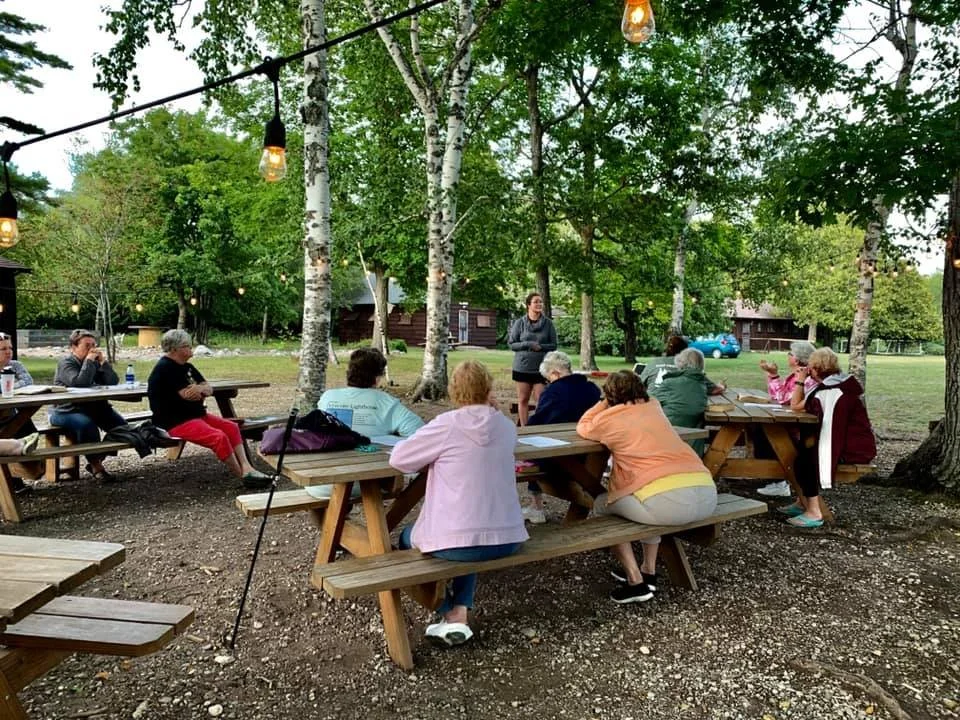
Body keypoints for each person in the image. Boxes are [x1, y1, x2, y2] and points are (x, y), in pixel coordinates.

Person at [389, 361, 527, 647]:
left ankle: (446, 608)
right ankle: (460, 612)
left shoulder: (446, 424)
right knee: (471, 530)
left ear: (454, 392)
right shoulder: (504, 425)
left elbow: (399, 459)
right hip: (509, 537)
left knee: (406, 538)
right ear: (489, 389)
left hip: (458, 540)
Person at [577, 370, 718, 604]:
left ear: (609, 396)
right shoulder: (654, 406)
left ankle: (636, 581)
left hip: (667, 502)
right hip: (705, 492)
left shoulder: (608, 419)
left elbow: (583, 426)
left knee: (603, 505)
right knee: (646, 502)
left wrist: (604, 403)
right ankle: (648, 570)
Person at [148, 329, 271, 489]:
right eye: (186, 346)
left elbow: (208, 388)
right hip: (176, 421)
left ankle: (248, 468)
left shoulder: (187, 367)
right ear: (174, 349)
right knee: (218, 437)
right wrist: (200, 390)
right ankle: (242, 476)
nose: (191, 350)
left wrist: (200, 389)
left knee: (231, 427)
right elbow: (187, 395)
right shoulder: (165, 368)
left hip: (196, 415)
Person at [309, 347, 424, 500]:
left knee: (330, 513)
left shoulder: (328, 397)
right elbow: (422, 434)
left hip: (318, 481)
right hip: (363, 482)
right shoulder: (386, 402)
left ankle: (335, 524)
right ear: (377, 377)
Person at [780, 347, 876, 528]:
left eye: (810, 367)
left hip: (852, 449)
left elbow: (796, 406)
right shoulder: (837, 384)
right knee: (798, 452)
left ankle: (814, 512)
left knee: (806, 461)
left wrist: (800, 381)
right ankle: (803, 502)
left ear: (816, 368)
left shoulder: (830, 391)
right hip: (856, 443)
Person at [522, 350, 601, 524]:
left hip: (558, 457)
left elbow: (536, 424)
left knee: (534, 453)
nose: (548, 382)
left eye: (548, 378)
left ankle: (536, 507)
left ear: (555, 373)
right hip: (588, 454)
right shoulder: (592, 389)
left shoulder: (553, 392)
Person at [49, 329, 127, 482]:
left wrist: (103, 363)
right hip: (66, 410)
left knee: (123, 428)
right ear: (73, 347)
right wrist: (89, 362)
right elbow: (80, 384)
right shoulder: (66, 363)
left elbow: (113, 381)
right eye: (87, 345)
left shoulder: (95, 362)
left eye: (94, 345)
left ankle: (97, 458)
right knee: (87, 425)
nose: (92, 349)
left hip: (94, 408)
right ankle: (97, 467)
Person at [756, 340, 818, 497]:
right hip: (789, 423)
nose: (787, 355)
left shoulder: (805, 378)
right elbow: (778, 397)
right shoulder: (795, 376)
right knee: (758, 430)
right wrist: (773, 375)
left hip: (799, 429)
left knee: (765, 433)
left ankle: (778, 481)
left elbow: (785, 401)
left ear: (796, 359)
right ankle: (771, 478)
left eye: (790, 353)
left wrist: (774, 376)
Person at [648, 347, 710, 455]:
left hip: (665, 437)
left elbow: (647, 402)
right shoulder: (702, 385)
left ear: (681, 363)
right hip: (694, 443)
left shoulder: (670, 383)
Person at [0, 332, 42, 492]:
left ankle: (31, 469)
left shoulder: (16, 365)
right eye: (3, 349)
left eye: (10, 348)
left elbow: (28, 382)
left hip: (10, 415)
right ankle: (15, 480)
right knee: (17, 425)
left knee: (23, 421)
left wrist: (9, 387)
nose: (8, 351)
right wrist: (12, 385)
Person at [508, 292, 557, 425]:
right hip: (522, 368)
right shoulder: (520, 323)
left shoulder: (548, 324)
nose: (539, 304)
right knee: (523, 399)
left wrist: (540, 347)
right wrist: (527, 344)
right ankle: (525, 428)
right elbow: (512, 344)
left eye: (540, 302)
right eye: (536, 302)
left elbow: (554, 345)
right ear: (528, 305)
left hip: (541, 369)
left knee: (541, 400)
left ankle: (537, 427)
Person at [640, 335, 726, 396]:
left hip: (652, 408)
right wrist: (722, 386)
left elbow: (638, 385)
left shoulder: (653, 363)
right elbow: (714, 389)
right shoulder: (690, 366)